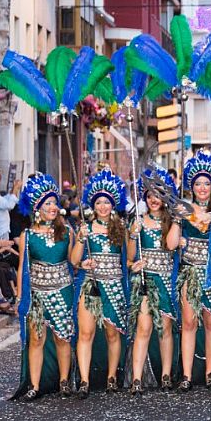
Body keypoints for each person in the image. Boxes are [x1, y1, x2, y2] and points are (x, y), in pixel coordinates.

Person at [13, 173, 75, 401]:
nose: (52, 207)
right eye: (47, 203)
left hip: (62, 290)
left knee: (62, 337)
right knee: (36, 338)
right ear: (37, 208)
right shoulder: (27, 235)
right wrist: (20, 298)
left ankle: (64, 381)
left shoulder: (67, 232)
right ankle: (34, 385)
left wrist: (84, 260)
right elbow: (22, 268)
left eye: (54, 203)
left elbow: (73, 261)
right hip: (37, 294)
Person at [71, 168, 130, 397]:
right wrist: (81, 245)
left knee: (112, 334)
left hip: (114, 285)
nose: (103, 207)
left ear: (113, 204)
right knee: (86, 333)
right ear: (93, 206)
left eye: (107, 202)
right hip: (91, 285)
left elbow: (129, 257)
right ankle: (84, 380)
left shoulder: (121, 228)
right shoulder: (85, 228)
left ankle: (112, 377)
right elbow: (75, 260)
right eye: (99, 203)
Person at [175, 151, 211, 391]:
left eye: (207, 183)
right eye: (198, 183)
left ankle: (210, 373)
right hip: (189, 271)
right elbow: (170, 244)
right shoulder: (183, 209)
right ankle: (186, 375)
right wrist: (178, 223)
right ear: (191, 186)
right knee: (189, 322)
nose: (202, 188)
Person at [128, 165, 181, 395]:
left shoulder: (171, 222)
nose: (154, 200)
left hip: (167, 279)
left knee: (165, 328)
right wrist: (133, 235)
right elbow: (129, 258)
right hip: (145, 280)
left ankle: (166, 375)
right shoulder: (138, 222)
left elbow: (171, 246)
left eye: (159, 195)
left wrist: (177, 219)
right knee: (144, 327)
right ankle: (137, 378)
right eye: (150, 196)